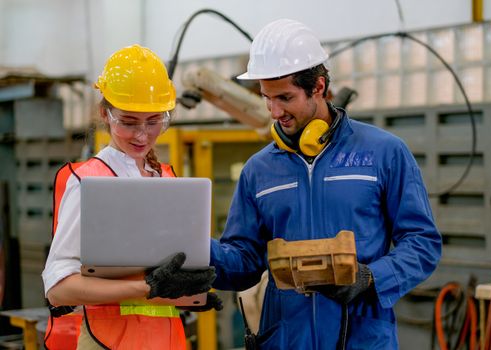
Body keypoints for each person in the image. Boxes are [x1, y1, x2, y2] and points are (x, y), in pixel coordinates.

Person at [210, 19, 442, 349]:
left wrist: (372, 278)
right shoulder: (258, 171)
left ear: (318, 87)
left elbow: (422, 242)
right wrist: (198, 251)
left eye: (285, 98)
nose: (275, 111)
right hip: (288, 339)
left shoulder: (383, 153)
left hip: (362, 337)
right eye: (267, 98)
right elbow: (244, 261)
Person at [42, 44, 221, 350]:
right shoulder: (88, 181)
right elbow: (58, 289)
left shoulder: (166, 179)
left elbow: (159, 279)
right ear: (104, 113)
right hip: (108, 342)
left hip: (167, 341)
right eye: (128, 122)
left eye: (154, 121)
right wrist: (145, 287)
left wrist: (189, 295)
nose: (142, 134)